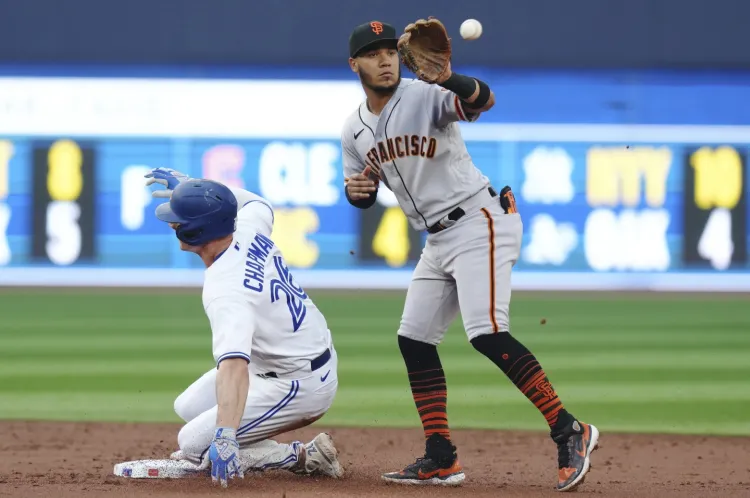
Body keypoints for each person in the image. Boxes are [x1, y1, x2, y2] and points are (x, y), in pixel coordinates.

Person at [339, 20, 599, 492]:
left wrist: (449, 79)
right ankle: (441, 457)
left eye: (389, 51)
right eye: (372, 53)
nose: (385, 60)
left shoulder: (423, 95)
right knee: (414, 340)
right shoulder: (353, 129)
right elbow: (360, 187)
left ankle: (569, 429)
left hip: (480, 221)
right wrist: (357, 192)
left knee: (487, 333)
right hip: (436, 241)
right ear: (354, 64)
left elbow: (482, 100)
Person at [139, 168, 343, 487]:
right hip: (294, 357)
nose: (173, 223)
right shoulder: (246, 229)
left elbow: (234, 365)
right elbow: (255, 202)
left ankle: (304, 455)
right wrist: (197, 191)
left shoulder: (226, 291)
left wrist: (225, 436)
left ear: (194, 232)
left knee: (193, 444)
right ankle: (236, 439)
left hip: (298, 384)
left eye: (178, 218)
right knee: (187, 406)